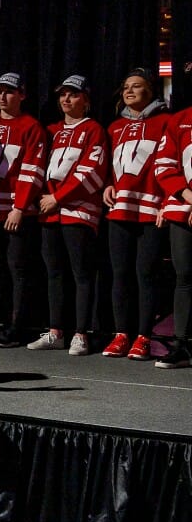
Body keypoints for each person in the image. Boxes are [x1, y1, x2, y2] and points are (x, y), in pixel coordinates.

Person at [28, 75, 107, 354]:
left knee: (82, 274)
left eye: (73, 94)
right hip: (49, 214)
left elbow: (91, 171)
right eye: (63, 94)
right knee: (54, 273)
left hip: (79, 213)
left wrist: (58, 198)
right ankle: (55, 331)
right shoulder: (50, 131)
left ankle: (81, 333)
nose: (66, 99)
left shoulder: (94, 130)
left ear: (86, 100)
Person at [100, 67, 170, 360]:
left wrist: (168, 202)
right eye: (126, 86)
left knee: (146, 273)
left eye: (137, 86)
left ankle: (143, 335)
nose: (129, 91)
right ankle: (121, 334)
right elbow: (110, 166)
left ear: (151, 91)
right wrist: (107, 186)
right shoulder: (115, 127)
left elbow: (171, 163)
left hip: (152, 209)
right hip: (120, 210)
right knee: (120, 274)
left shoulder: (166, 122)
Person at [0, 72, 46, 347]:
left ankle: (17, 325)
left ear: (22, 94)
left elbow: (33, 169)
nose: (2, 97)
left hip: (16, 212)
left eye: (9, 91)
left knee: (17, 269)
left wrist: (19, 207)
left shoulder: (31, 126)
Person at [154, 102, 192, 368]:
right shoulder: (180, 119)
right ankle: (183, 344)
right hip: (183, 209)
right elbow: (164, 165)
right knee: (185, 276)